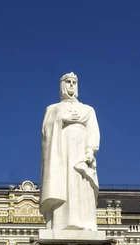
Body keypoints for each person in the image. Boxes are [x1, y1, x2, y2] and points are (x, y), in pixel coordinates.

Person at [39, 72, 100, 231]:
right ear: (62, 85)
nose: (71, 84)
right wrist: (61, 119)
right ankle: (60, 223)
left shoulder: (88, 109)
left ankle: (84, 223)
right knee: (63, 183)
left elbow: (93, 131)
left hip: (80, 152)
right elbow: (46, 132)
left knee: (80, 182)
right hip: (61, 152)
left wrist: (89, 151)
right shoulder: (53, 109)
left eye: (74, 82)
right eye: (68, 82)